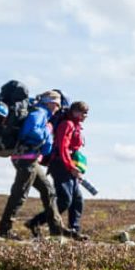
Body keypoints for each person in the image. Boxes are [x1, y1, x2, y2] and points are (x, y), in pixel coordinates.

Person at [0, 89, 61, 238]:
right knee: (19, 194)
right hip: (26, 158)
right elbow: (29, 131)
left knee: (48, 190)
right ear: (51, 103)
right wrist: (47, 132)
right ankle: (4, 230)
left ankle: (56, 229)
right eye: (57, 105)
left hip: (29, 158)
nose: (58, 108)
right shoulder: (39, 113)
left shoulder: (41, 113)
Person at [46, 99, 91, 238]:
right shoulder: (67, 124)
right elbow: (63, 147)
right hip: (60, 165)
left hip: (69, 166)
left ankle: (74, 231)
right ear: (75, 112)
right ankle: (43, 222)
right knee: (65, 200)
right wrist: (70, 167)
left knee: (77, 201)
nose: (86, 116)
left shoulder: (76, 126)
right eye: (84, 113)